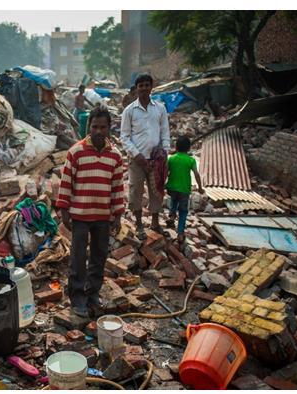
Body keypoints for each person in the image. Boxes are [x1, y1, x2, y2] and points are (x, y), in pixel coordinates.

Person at [56, 106, 125, 318]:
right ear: (89, 127)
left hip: (103, 216)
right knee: (77, 258)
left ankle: (93, 293)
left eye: (103, 127)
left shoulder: (115, 156)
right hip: (80, 216)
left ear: (109, 128)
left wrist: (118, 215)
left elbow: (117, 188)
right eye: (95, 127)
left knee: (99, 257)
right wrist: (64, 212)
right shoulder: (75, 152)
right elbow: (66, 183)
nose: (98, 131)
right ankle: (77, 297)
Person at [120, 74, 171, 240]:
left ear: (151, 87)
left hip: (156, 160)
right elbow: (124, 137)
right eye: (140, 85)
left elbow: (165, 132)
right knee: (135, 190)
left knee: (156, 191)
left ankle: (155, 223)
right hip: (137, 160)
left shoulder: (160, 108)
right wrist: (137, 155)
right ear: (136, 88)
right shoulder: (129, 111)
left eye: (146, 85)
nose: (143, 88)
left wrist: (165, 153)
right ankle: (139, 224)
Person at [165, 136, 204, 244]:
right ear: (189, 148)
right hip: (184, 189)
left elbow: (165, 172)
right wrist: (200, 188)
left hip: (172, 187)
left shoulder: (171, 158)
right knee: (183, 211)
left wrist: (163, 184)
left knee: (174, 200)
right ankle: (180, 233)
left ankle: (172, 217)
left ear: (176, 147)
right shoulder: (191, 160)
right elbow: (196, 174)